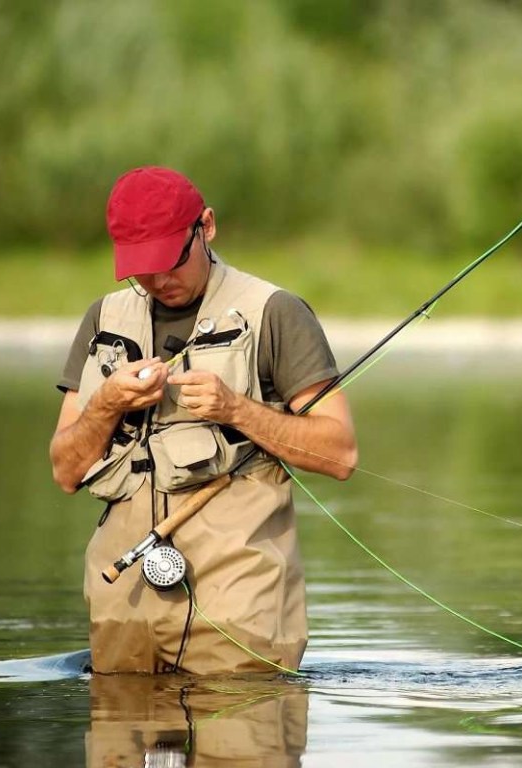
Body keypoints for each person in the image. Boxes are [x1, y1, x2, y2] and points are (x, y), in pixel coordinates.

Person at [49, 166, 358, 675]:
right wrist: (105, 403)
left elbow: (341, 453)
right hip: (121, 604)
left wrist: (236, 408)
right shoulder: (102, 319)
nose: (159, 281)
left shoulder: (276, 312)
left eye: (171, 261)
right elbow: (64, 472)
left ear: (206, 227)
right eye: (141, 269)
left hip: (241, 609)